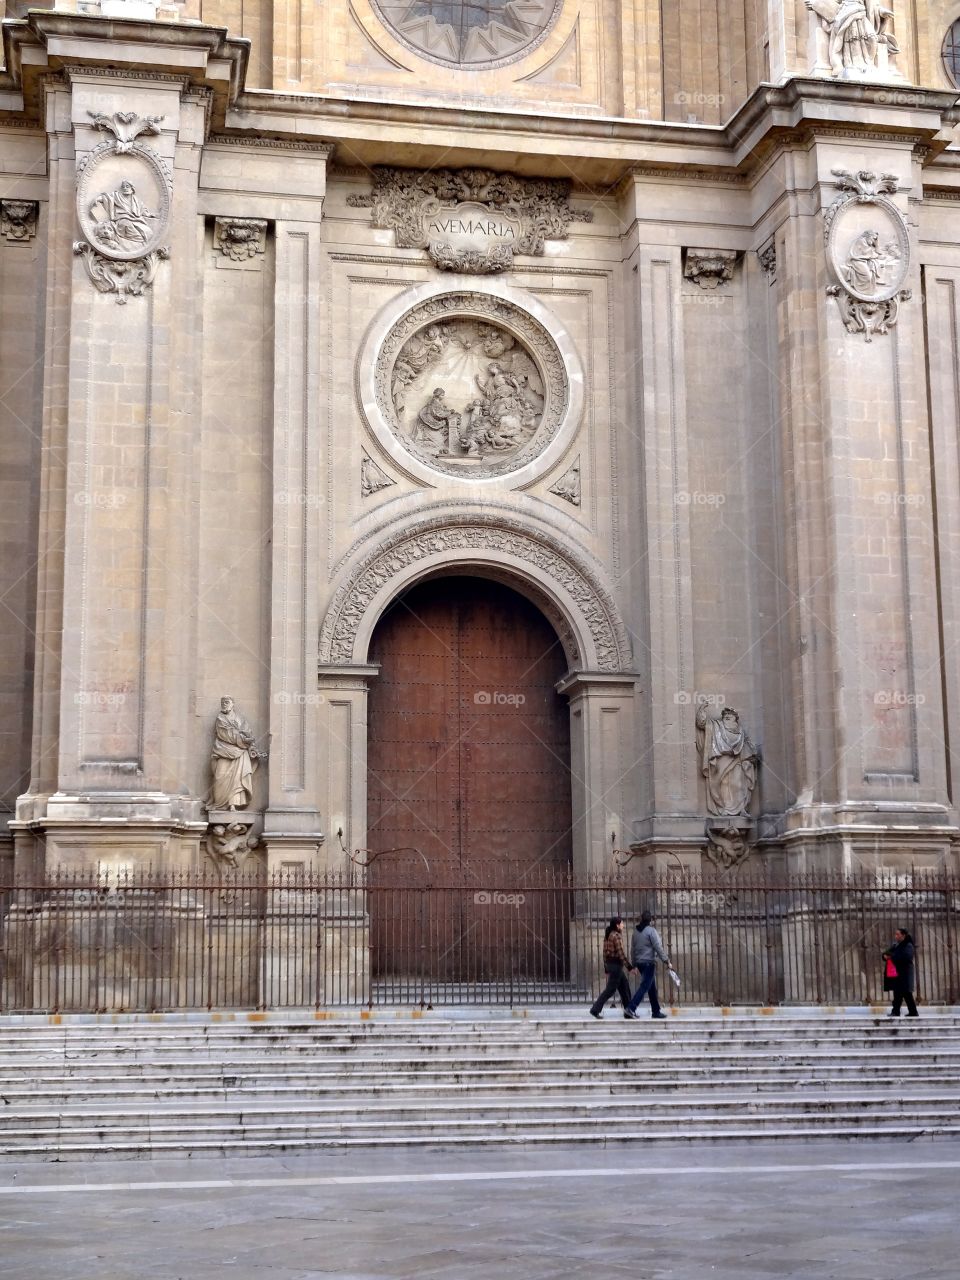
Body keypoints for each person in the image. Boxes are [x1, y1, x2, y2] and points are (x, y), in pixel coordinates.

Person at [626, 910, 671, 1019]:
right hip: (649, 963)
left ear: (641, 918)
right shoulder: (651, 931)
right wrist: (666, 960)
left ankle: (656, 1011)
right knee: (645, 986)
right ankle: (631, 1008)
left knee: (651, 988)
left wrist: (634, 964)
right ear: (650, 920)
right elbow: (658, 947)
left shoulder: (635, 932)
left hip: (640, 964)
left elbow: (633, 950)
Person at [589, 917, 637, 1020]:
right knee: (610, 990)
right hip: (616, 966)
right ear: (617, 925)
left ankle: (629, 1011)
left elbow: (604, 954)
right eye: (622, 923)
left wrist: (606, 969)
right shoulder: (616, 936)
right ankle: (595, 1009)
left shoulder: (608, 935)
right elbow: (621, 955)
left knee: (625, 988)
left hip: (611, 966)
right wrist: (630, 967)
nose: (623, 925)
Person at [883, 928, 919, 1017]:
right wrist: (885, 956)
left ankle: (909, 1012)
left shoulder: (908, 945)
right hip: (897, 974)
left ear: (903, 935)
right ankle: (899, 1011)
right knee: (898, 993)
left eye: (897, 934)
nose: (896, 936)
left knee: (906, 993)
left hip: (905, 974)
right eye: (895, 934)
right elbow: (887, 953)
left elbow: (906, 958)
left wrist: (891, 957)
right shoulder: (896, 945)